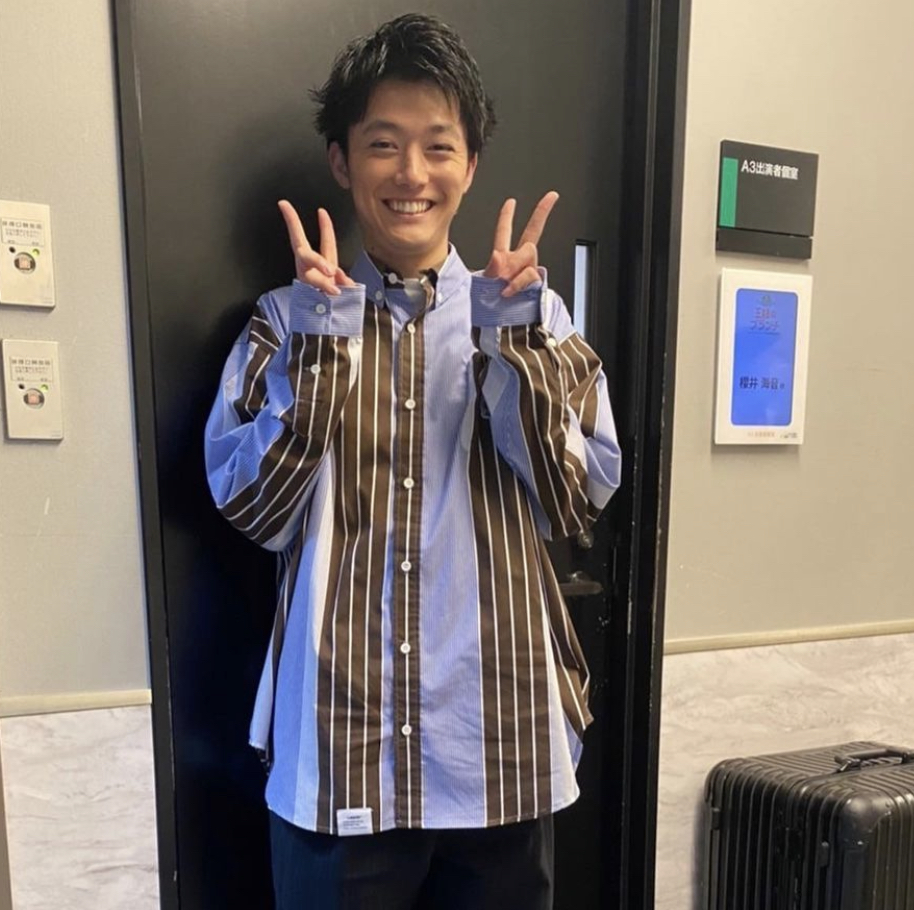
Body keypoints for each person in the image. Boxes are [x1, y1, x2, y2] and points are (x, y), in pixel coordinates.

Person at [204, 13, 622, 909]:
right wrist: (322, 352)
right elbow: (255, 513)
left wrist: (512, 346)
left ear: (468, 167)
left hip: (499, 742)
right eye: (383, 144)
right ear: (341, 160)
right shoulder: (282, 323)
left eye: (438, 146)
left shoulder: (537, 320)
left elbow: (571, 503)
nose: (411, 173)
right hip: (340, 747)